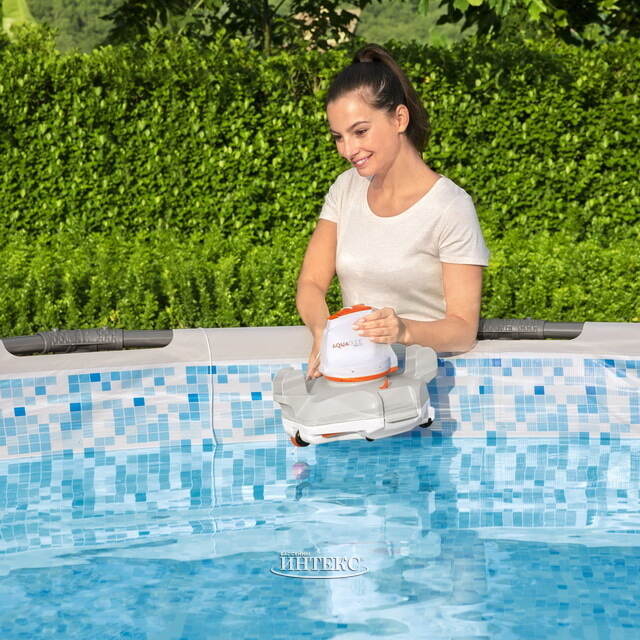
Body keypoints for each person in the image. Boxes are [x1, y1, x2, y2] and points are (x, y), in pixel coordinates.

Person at [296, 44, 489, 378]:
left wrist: (403, 330)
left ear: (399, 118)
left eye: (360, 132)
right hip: (356, 376)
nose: (348, 150)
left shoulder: (450, 207)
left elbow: (462, 329)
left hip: (425, 382)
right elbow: (311, 282)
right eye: (338, 137)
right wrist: (323, 332)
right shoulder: (345, 189)